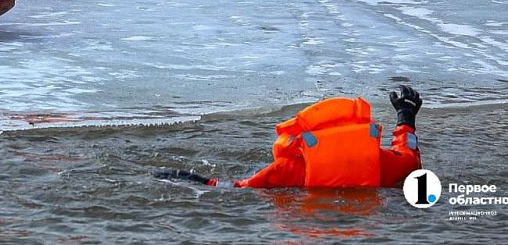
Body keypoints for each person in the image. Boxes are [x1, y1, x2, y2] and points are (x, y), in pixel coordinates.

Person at [159, 85, 423, 188]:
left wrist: (201, 181)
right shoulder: (381, 163)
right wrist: (405, 115)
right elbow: (411, 161)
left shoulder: (291, 168)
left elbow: (238, 188)